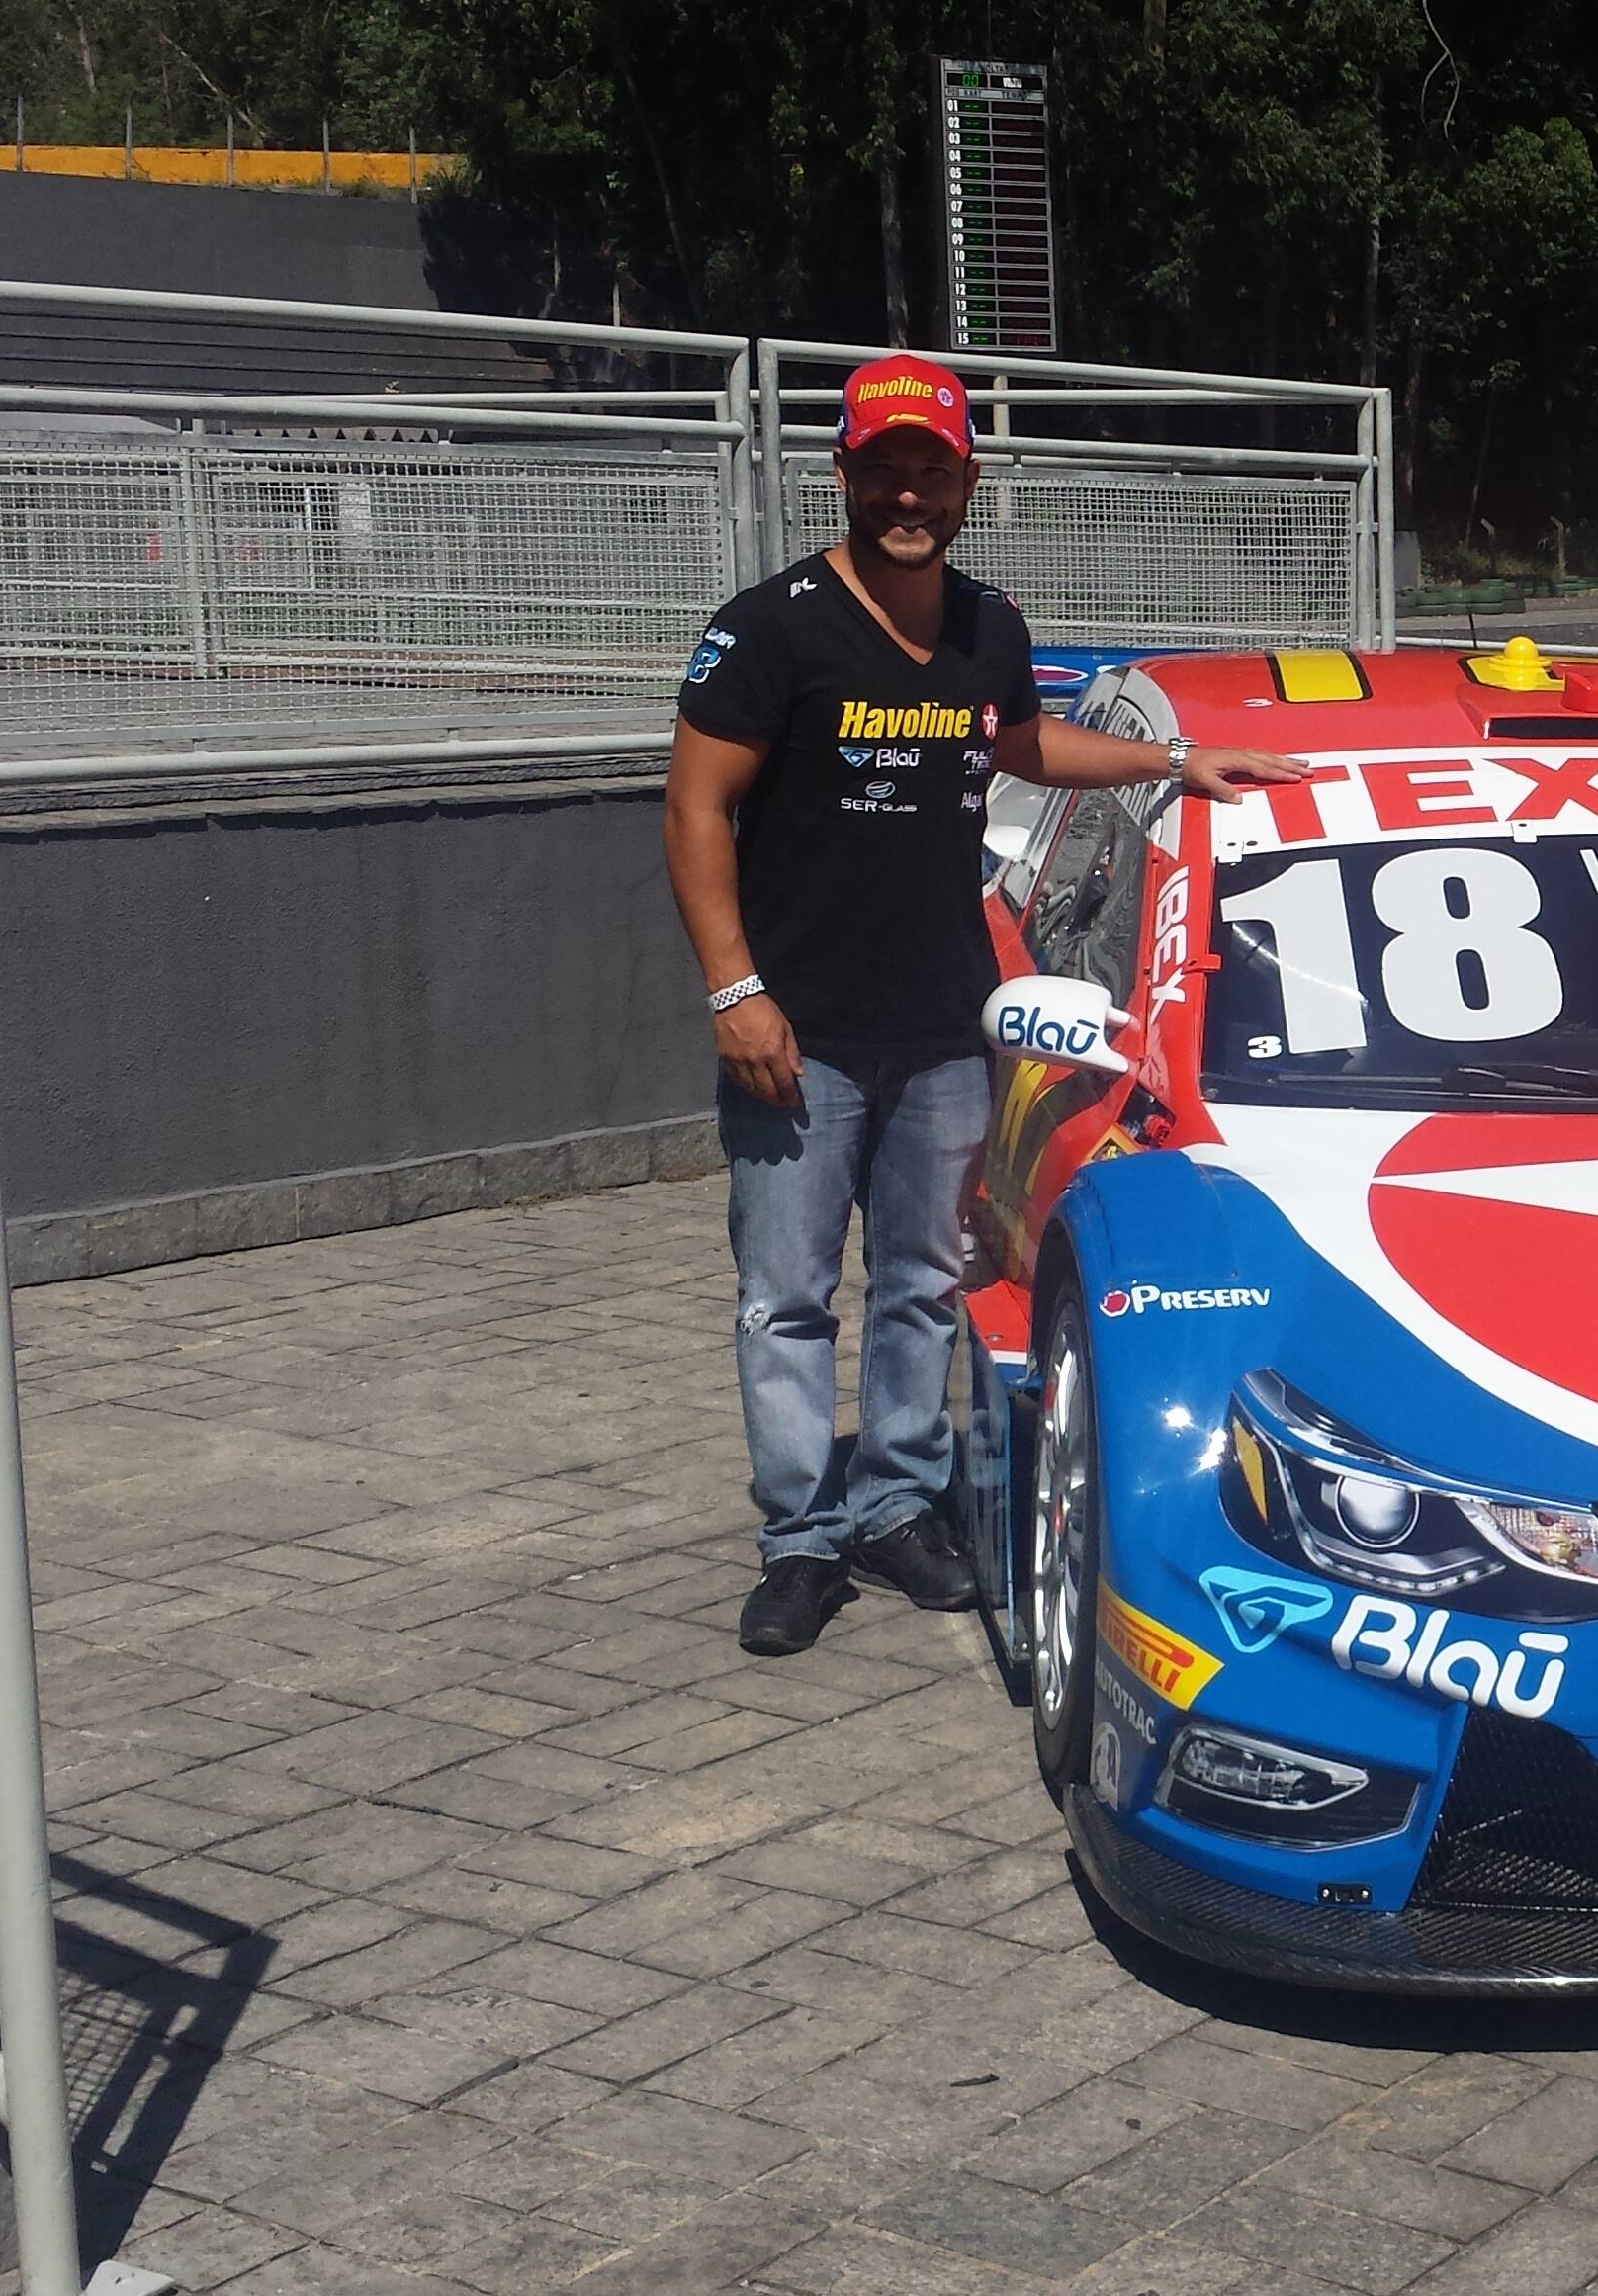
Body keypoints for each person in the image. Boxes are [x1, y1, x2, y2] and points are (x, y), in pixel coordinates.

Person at [664, 354, 1302, 1656]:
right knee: (783, 1296)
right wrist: (737, 990)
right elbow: (693, 807)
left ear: (966, 481)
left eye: (934, 469)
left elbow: (1018, 744)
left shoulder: (985, 623)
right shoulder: (769, 627)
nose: (910, 491)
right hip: (798, 1028)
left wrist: (1176, 762)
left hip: (945, 1019)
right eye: (885, 466)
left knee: (916, 1283)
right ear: (842, 471)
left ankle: (896, 1508)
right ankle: (799, 1539)